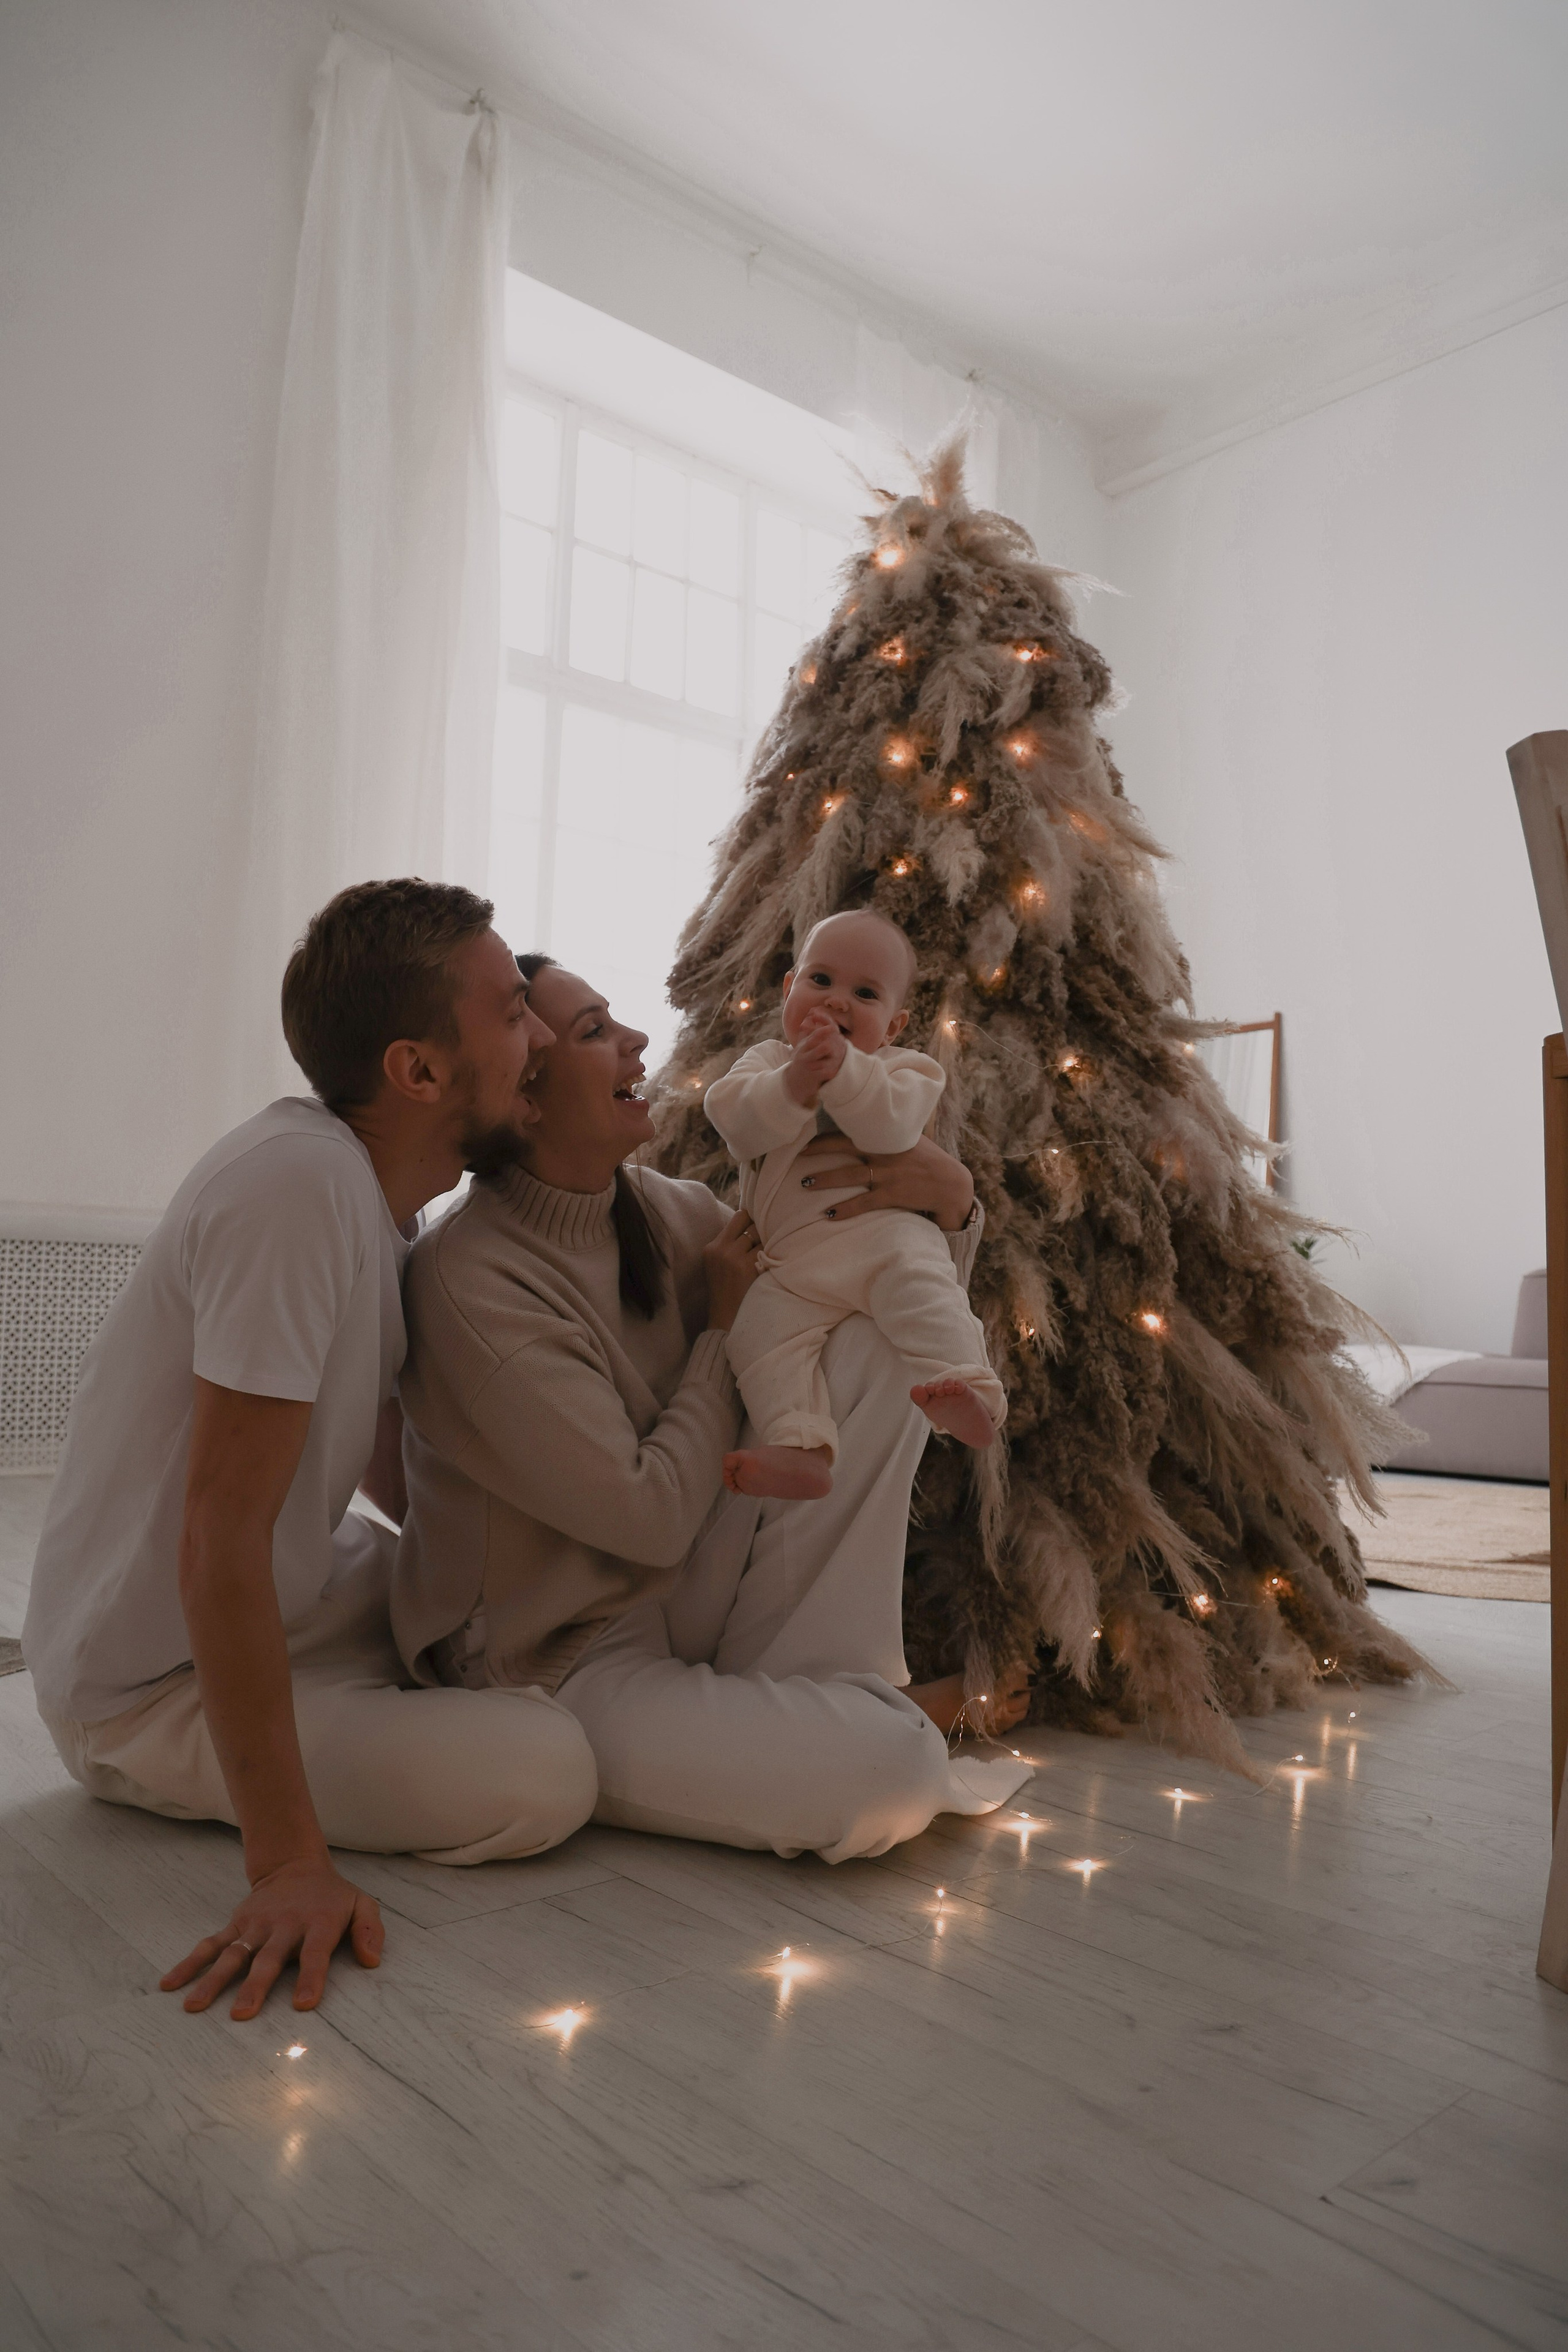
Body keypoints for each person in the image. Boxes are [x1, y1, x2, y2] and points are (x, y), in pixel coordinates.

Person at [23, 881, 598, 2024]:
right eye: (510, 1012)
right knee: (545, 1776)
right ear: (418, 1072)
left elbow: (386, 1470)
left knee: (525, 1599)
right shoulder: (295, 1189)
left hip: (295, 1595)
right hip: (142, 1687)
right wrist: (288, 1864)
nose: (535, 1038)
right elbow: (218, 1534)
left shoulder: (378, 1204)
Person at [392, 954, 1031, 1866]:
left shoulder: (663, 1211)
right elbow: (646, 1519)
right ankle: (863, 1716)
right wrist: (717, 1328)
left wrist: (955, 1207)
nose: (638, 1041)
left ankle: (828, 1689)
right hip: (562, 1658)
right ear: (524, 1098)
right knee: (884, 1774)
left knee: (863, 1331)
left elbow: (869, 1278)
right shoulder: (474, 1282)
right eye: (595, 1031)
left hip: (675, 1583)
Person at [705, 908, 1005, 1501]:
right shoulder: (765, 1063)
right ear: (790, 989)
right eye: (820, 980)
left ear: (892, 1027)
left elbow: (891, 1130)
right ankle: (800, 1445)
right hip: (790, 1267)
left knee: (925, 1295)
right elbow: (734, 1119)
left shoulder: (904, 1071)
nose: (837, 1002)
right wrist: (793, 1083)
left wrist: (845, 1074)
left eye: (863, 993)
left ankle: (970, 1393)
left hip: (882, 1243)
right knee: (759, 1339)